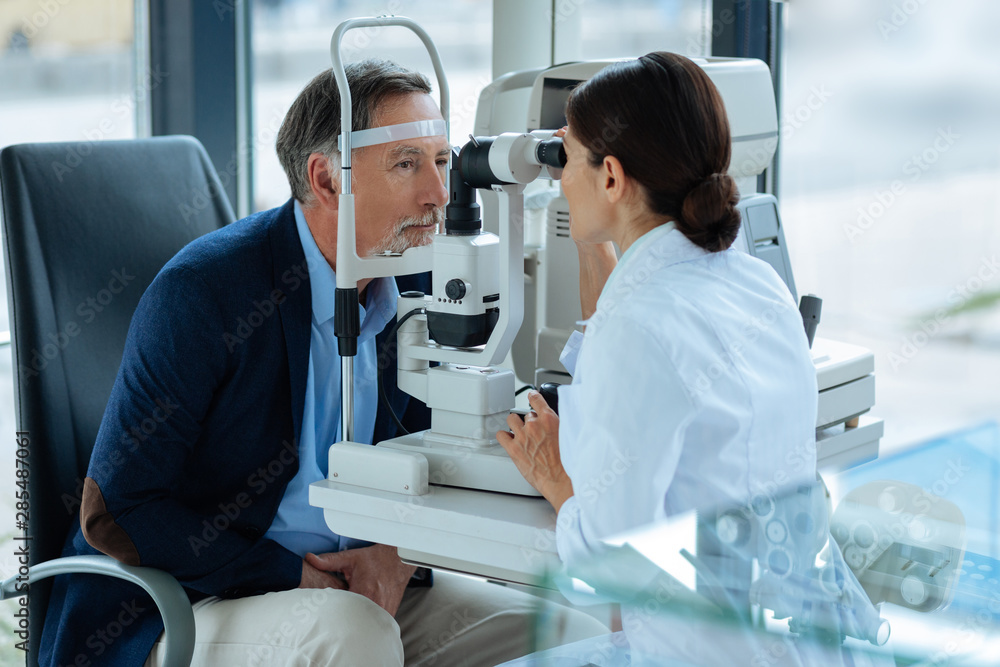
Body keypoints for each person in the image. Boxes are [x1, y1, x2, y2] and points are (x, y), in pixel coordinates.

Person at [40, 59, 606, 667]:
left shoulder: (417, 279)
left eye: (441, 161)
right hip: (194, 599)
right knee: (353, 636)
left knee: (568, 633)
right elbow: (118, 510)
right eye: (406, 163)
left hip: (363, 588)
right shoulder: (205, 292)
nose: (439, 193)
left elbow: (437, 454)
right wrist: (296, 576)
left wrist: (394, 556)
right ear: (328, 179)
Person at [497, 52, 820, 665]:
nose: (560, 178)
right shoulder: (759, 284)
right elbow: (633, 350)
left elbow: (606, 569)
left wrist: (556, 479)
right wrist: (594, 235)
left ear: (612, 178)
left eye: (568, 159)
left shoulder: (637, 325)